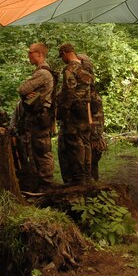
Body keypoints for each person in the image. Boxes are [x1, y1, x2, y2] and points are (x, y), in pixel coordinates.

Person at [13, 43, 57, 191]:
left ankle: (46, 184)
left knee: (42, 151)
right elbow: (26, 92)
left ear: (39, 53)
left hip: (40, 118)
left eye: (30, 52)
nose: (28, 55)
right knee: (36, 150)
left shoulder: (42, 73)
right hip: (39, 117)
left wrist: (26, 92)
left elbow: (22, 88)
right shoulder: (43, 71)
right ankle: (40, 183)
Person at [56, 43, 94, 186]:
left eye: (62, 56)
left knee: (75, 143)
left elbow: (69, 91)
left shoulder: (70, 68)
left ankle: (79, 179)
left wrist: (64, 110)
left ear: (65, 54)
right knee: (85, 142)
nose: (62, 59)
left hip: (73, 111)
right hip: (86, 108)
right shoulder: (86, 66)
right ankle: (87, 176)